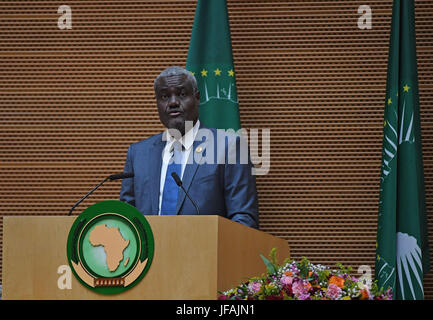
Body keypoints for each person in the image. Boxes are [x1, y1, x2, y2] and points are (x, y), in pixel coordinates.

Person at [120, 66, 259, 228]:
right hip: (152, 252)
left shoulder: (229, 147)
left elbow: (244, 218)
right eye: (164, 96)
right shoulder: (138, 154)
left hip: (206, 252)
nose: (173, 102)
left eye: (182, 94)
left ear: (197, 98)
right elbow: (126, 219)